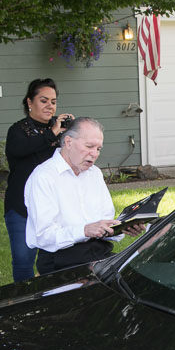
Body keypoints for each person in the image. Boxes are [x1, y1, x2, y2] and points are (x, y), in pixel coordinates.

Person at [24, 117, 145, 275]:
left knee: (144, 273)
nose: (94, 154)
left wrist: (121, 228)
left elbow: (104, 222)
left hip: (100, 254)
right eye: (89, 146)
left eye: (99, 149)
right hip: (60, 261)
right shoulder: (44, 176)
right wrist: (85, 230)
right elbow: (44, 236)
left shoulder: (94, 173)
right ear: (68, 142)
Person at [4, 78, 74, 282]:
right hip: (21, 208)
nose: (49, 106)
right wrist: (51, 134)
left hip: (54, 205)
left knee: (55, 259)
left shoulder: (61, 130)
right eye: (43, 100)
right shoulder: (18, 130)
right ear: (29, 102)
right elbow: (22, 150)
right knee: (23, 260)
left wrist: (71, 132)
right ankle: (24, 301)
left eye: (53, 101)